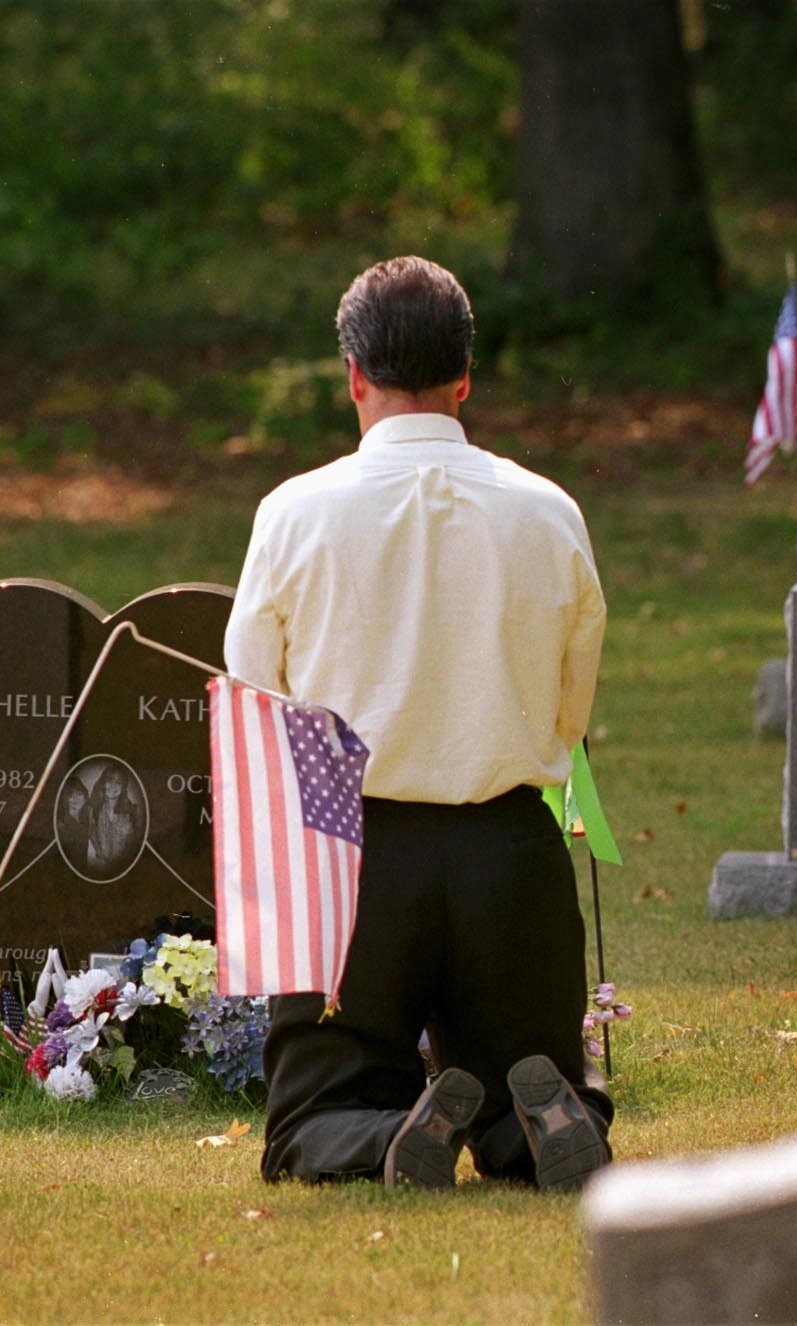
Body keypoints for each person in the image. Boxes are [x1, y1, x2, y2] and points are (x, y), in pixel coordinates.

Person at [223, 256, 611, 1191]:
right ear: (465, 375)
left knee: (317, 1106)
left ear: (353, 376)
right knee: (533, 1068)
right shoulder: (547, 510)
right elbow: (573, 700)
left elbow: (255, 689)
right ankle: (541, 1121)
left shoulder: (294, 512)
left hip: (352, 853)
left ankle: (376, 1134)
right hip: (510, 848)